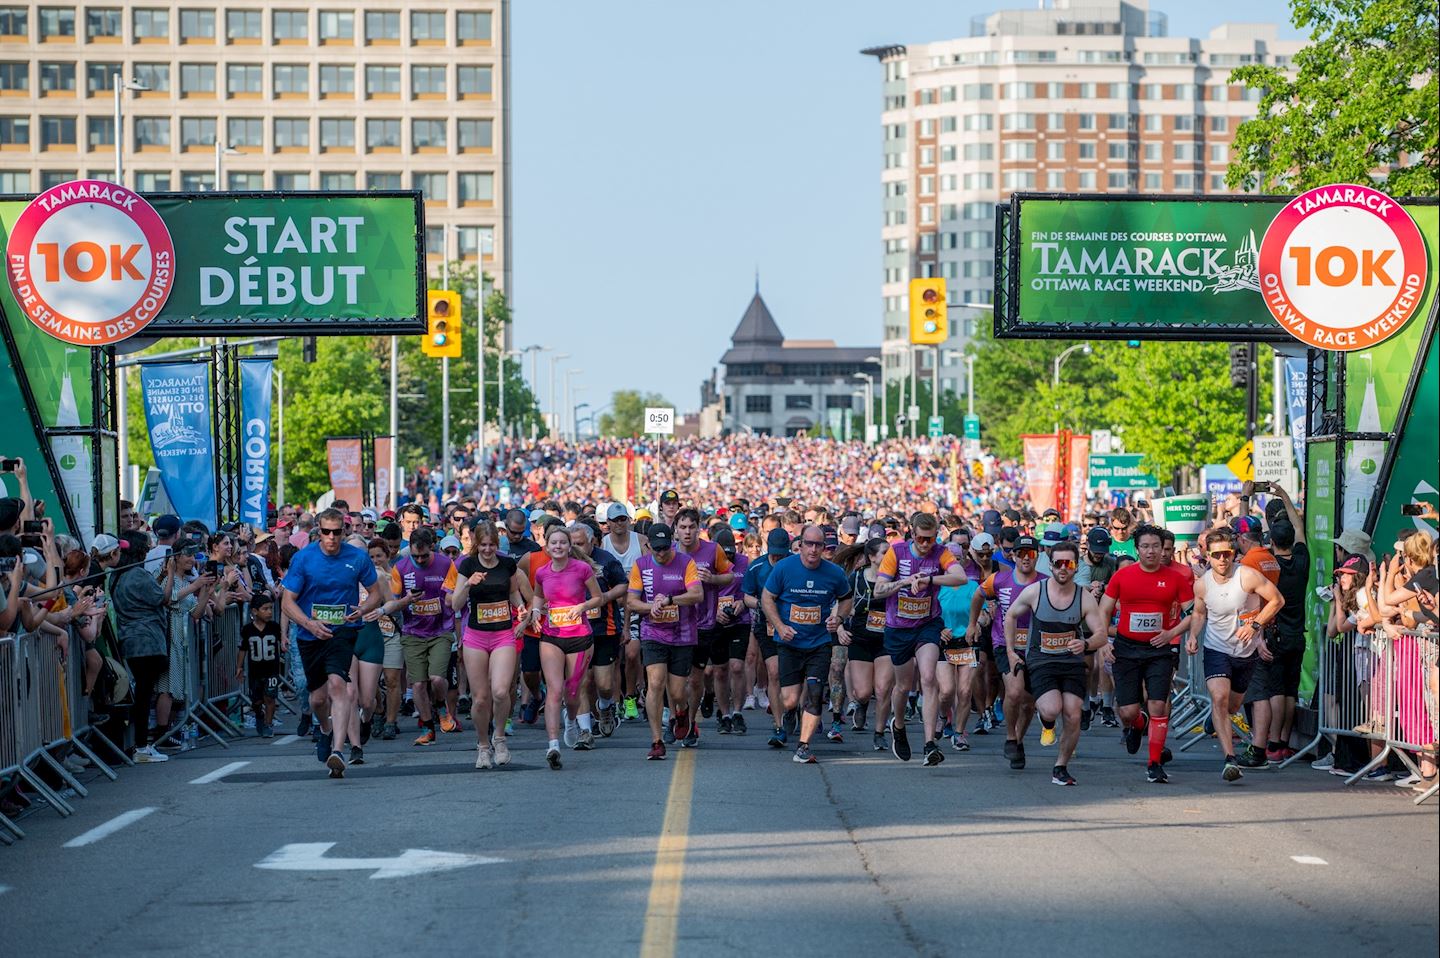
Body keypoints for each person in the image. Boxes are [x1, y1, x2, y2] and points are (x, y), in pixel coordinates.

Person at [281, 508, 382, 779]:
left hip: (343, 631)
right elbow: (287, 600)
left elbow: (375, 594)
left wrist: (361, 610)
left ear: (344, 531)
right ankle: (325, 729)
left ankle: (338, 751)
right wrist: (309, 623)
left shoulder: (357, 558)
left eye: (337, 532)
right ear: (318, 530)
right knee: (317, 698)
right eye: (326, 532)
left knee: (340, 686)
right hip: (310, 635)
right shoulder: (304, 559)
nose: (332, 538)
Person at [1004, 540, 1109, 785]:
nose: (1063, 568)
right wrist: (1010, 651)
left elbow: (1101, 634)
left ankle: (1060, 766)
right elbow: (1010, 616)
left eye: (1068, 563)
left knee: (1073, 714)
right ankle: (1047, 720)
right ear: (1050, 566)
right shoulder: (1035, 591)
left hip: (1071, 662)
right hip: (1041, 661)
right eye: (1058, 563)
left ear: (1075, 566)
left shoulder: (1084, 598)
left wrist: (1085, 644)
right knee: (1051, 708)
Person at [1186, 527, 1285, 781]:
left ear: (1233, 553)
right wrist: (1194, 635)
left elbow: (1277, 600)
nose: (1222, 560)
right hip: (1216, 648)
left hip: (1245, 651)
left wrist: (1255, 625)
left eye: (1227, 554)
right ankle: (1230, 760)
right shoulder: (1202, 584)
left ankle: (1216, 720)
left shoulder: (1248, 576)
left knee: (1233, 705)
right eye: (1217, 555)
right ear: (1207, 556)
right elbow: (1198, 613)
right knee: (1219, 698)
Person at [1099, 524, 1194, 784]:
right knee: (1128, 712)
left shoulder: (1175, 578)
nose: (1151, 551)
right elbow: (1103, 610)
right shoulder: (1123, 576)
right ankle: (1138, 723)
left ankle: (1154, 763)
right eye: (1145, 546)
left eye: (1155, 546)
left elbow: (1194, 612)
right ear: (1137, 549)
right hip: (1126, 648)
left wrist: (1171, 632)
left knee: (1158, 704)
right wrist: (1103, 642)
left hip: (1158, 650)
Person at [873, 512, 968, 765]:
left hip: (927, 624)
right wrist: (905, 582)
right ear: (912, 534)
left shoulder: (940, 552)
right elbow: (878, 590)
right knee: (903, 686)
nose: (926, 544)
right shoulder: (897, 552)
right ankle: (899, 725)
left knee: (928, 678)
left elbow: (960, 576)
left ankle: (929, 744)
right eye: (921, 539)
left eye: (930, 538)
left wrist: (929, 579)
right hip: (898, 627)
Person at [761, 524, 853, 764]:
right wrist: (780, 626)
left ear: (824, 547)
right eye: (809, 544)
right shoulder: (784, 568)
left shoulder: (834, 573)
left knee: (814, 693)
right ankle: (790, 711)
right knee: (790, 699)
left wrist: (839, 618)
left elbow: (846, 599)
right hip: (790, 643)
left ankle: (803, 746)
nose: (813, 549)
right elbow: (766, 598)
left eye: (818, 545)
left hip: (819, 644)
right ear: (800, 545)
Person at [450, 520, 531, 768]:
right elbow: (455, 604)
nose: (487, 550)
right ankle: (483, 746)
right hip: (476, 635)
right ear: (476, 544)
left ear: (498, 544)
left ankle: (500, 737)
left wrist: (522, 613)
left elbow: (514, 594)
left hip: (503, 634)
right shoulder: (467, 564)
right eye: (483, 545)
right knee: (481, 698)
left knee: (500, 691)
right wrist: (468, 584)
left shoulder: (507, 564)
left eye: (491, 545)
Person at [530, 525, 605, 767]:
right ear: (547, 547)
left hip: (579, 636)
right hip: (552, 636)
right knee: (554, 690)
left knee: (572, 692)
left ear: (569, 546)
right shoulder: (542, 572)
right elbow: (539, 596)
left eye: (563, 542)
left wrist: (582, 607)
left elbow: (598, 597)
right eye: (554, 543)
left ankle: (571, 721)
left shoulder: (582, 569)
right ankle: (553, 746)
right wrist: (534, 610)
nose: (559, 546)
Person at [627, 523, 703, 760]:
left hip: (682, 633)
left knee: (678, 691)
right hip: (653, 632)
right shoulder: (641, 565)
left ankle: (682, 712)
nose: (661, 553)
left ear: (672, 543)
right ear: (648, 546)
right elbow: (631, 601)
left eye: (665, 548)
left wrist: (670, 600)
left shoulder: (685, 563)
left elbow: (697, 594)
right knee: (656, 683)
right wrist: (652, 607)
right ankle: (657, 740)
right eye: (656, 549)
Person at [1247, 484, 1308, 764]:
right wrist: (1284, 494)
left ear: (1271, 541)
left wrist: (1246, 498)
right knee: (1289, 691)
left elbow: (1245, 536)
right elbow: (1301, 531)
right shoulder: (1301, 560)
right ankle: (1282, 742)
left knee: (1274, 690)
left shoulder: (1268, 565)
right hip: (1297, 634)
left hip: (1274, 634)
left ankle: (1271, 743)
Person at [974, 535, 1046, 769]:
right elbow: (978, 596)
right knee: (1014, 692)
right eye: (1021, 554)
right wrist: (971, 623)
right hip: (1004, 644)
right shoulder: (999, 579)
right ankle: (1010, 736)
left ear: (1038, 556)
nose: (1026, 558)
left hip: (1035, 648)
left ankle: (1019, 740)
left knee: (1028, 703)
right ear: (1013, 556)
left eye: (1031, 554)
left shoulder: (1046, 583)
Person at [391, 527, 460, 746]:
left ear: (432, 547)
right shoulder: (400, 568)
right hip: (413, 632)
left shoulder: (446, 564)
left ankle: (440, 705)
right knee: (418, 685)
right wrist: (406, 601)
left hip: (441, 630)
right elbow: (393, 604)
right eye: (415, 555)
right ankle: (428, 727)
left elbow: (452, 596)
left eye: (424, 555)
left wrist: (452, 598)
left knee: (437, 678)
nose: (419, 559)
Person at [110, 532, 172, 763]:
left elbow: (144, 596)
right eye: (146, 547)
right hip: (147, 640)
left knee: (143, 693)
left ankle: (140, 744)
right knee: (145, 694)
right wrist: (171, 574)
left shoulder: (118, 576)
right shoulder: (137, 574)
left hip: (130, 640)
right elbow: (163, 599)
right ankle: (142, 746)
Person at [675, 507, 734, 747]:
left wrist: (712, 579)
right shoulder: (668, 552)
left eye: (691, 527)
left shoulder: (712, 550)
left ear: (698, 528)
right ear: (676, 530)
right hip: (674, 624)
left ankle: (689, 724)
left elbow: (730, 576)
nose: (687, 532)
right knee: (677, 681)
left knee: (696, 680)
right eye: (683, 527)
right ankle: (678, 715)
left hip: (704, 623)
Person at [835, 537, 891, 749]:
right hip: (860, 637)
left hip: (886, 639)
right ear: (872, 557)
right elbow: (841, 605)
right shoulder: (856, 578)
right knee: (863, 692)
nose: (890, 556)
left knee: (884, 688)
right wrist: (840, 628)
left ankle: (879, 732)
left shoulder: (895, 577)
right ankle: (862, 705)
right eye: (885, 552)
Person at [745, 529, 793, 748]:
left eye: (781, 555)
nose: (777, 559)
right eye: (774, 554)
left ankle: (794, 709)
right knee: (773, 672)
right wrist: (764, 605)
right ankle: (778, 724)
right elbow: (746, 596)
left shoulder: (796, 565)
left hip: (794, 625)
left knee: (791, 674)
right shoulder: (756, 566)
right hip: (767, 626)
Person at [238, 593, 285, 737]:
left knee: (270, 698)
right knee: (257, 701)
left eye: (271, 608)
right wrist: (239, 667)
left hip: (271, 670)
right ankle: (259, 714)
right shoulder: (247, 630)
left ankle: (268, 724)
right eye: (265, 609)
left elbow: (281, 641)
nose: (269, 612)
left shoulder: (274, 627)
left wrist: (284, 644)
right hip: (255, 672)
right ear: (254, 611)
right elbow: (243, 649)